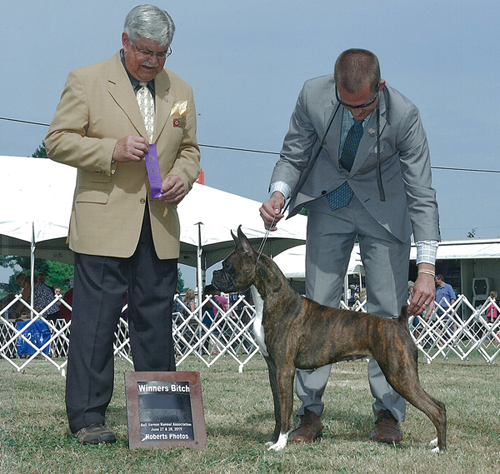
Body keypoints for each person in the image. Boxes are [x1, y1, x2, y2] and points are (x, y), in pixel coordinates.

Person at [260, 48, 439, 445]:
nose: (357, 113)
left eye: (366, 106)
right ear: (334, 86)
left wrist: (426, 268)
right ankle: (307, 413)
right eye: (348, 105)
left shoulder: (405, 115)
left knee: (388, 315)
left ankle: (388, 414)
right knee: (312, 310)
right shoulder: (312, 96)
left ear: (382, 87)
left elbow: (422, 193)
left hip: (385, 213)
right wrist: (278, 194)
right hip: (329, 204)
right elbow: (294, 153)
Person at [45, 4, 200, 445]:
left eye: (162, 54)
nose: (154, 62)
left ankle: (160, 419)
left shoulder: (182, 90)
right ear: (126, 41)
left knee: (155, 322)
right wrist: (110, 150)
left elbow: (190, 150)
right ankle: (89, 418)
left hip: (160, 225)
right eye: (146, 52)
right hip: (102, 223)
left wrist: (181, 178)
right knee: (94, 323)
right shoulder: (87, 79)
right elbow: (56, 140)